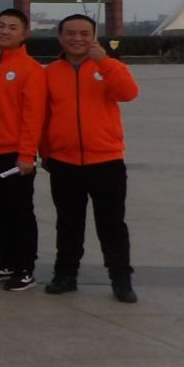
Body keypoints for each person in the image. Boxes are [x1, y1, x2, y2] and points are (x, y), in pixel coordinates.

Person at [40, 15, 139, 302]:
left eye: (84, 33)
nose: (77, 38)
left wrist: (104, 62)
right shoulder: (49, 73)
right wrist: (45, 152)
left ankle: (121, 279)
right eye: (70, 33)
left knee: (112, 224)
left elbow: (129, 93)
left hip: (106, 161)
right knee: (68, 223)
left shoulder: (108, 67)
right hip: (64, 162)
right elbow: (42, 117)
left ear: (93, 37)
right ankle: (65, 274)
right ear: (60, 38)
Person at [0, 8, 46, 291]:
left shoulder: (31, 69)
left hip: (14, 154)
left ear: (25, 33)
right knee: (1, 210)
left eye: (12, 27)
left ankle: (25, 268)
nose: (5, 31)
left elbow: (32, 117)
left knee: (20, 211)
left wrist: (26, 154)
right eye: (1, 25)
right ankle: (7, 262)